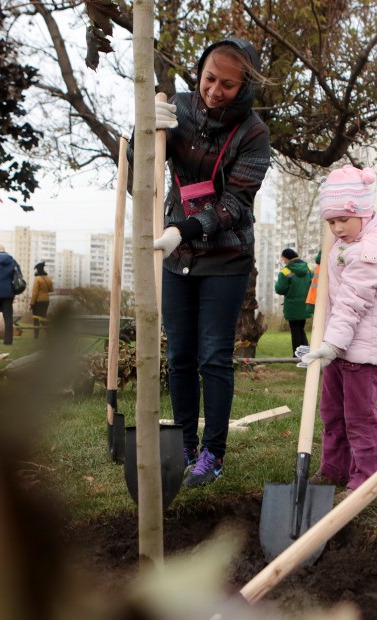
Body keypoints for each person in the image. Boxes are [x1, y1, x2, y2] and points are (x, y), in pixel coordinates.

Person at [137, 37, 272, 487]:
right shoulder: (175, 108)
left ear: (244, 87)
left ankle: (213, 453)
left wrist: (187, 228)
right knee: (179, 356)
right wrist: (143, 132)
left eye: (228, 85)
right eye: (209, 79)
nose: (214, 90)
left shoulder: (253, 133)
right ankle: (185, 446)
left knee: (213, 356)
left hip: (226, 254)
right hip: (179, 256)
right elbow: (144, 165)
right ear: (200, 72)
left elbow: (237, 202)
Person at [302, 166, 377, 500]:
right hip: (337, 346)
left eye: (344, 219)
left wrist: (331, 344)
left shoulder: (369, 252)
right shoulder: (343, 243)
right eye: (331, 221)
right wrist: (328, 343)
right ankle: (334, 468)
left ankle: (365, 478)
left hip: (359, 350)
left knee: (359, 417)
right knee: (331, 412)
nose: (338, 228)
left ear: (364, 213)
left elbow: (352, 303)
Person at [274, 247, 313, 355]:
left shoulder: (285, 271)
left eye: (283, 259)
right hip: (306, 304)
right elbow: (313, 285)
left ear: (287, 258)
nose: (283, 261)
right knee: (301, 329)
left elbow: (280, 289)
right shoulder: (309, 268)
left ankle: (296, 354)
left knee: (295, 330)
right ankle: (305, 353)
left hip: (292, 305)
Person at [29, 262, 53, 339]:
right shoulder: (48, 278)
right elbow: (51, 289)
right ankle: (50, 333)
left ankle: (36, 336)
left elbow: (35, 292)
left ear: (38, 270)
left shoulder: (37, 279)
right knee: (43, 318)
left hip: (38, 301)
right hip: (46, 300)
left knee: (36, 319)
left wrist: (32, 303)